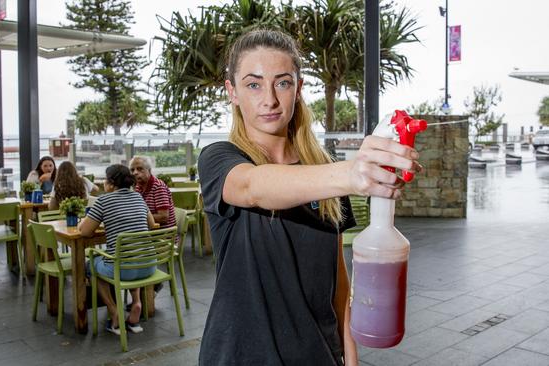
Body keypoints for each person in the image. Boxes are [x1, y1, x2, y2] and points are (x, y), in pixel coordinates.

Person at [197, 30, 421, 366]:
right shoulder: (219, 159)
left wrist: (350, 353)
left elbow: (339, 282)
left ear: (299, 88)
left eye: (283, 82)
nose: (269, 99)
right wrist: (352, 174)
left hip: (319, 354)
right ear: (233, 92)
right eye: (253, 84)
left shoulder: (325, 175)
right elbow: (253, 188)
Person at [79, 164, 156, 335]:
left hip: (122, 269)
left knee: (91, 264)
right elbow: (151, 224)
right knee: (130, 254)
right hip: (149, 265)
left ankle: (114, 311)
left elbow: (84, 232)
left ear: (111, 183)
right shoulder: (138, 197)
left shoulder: (103, 201)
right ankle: (136, 303)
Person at [130, 156, 176, 230]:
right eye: (132, 170)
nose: (135, 173)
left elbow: (164, 217)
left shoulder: (158, 187)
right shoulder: (138, 187)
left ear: (149, 170)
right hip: (148, 232)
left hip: (162, 236)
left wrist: (139, 218)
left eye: (140, 169)